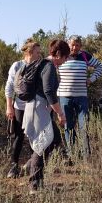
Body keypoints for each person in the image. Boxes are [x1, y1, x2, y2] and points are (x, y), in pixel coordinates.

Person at [22, 39, 70, 194]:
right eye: (65, 57)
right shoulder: (48, 66)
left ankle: (30, 166)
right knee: (41, 145)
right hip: (39, 108)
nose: (66, 60)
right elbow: (49, 92)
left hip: (39, 108)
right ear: (58, 54)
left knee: (54, 139)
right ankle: (34, 186)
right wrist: (60, 113)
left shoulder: (46, 65)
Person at [57, 35, 102, 158]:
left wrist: (91, 79)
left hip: (81, 96)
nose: (75, 47)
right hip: (64, 97)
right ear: (68, 44)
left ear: (80, 46)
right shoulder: (62, 56)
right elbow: (51, 69)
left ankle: (85, 154)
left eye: (77, 45)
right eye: (72, 44)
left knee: (84, 125)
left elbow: (100, 66)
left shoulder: (84, 56)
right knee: (69, 126)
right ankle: (71, 154)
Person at [4, 39, 41, 178]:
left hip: (35, 107)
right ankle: (14, 167)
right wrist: (9, 107)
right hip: (19, 106)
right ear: (30, 52)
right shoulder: (17, 65)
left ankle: (33, 165)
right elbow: (9, 87)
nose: (39, 54)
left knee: (34, 137)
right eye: (37, 52)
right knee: (18, 137)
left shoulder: (39, 66)